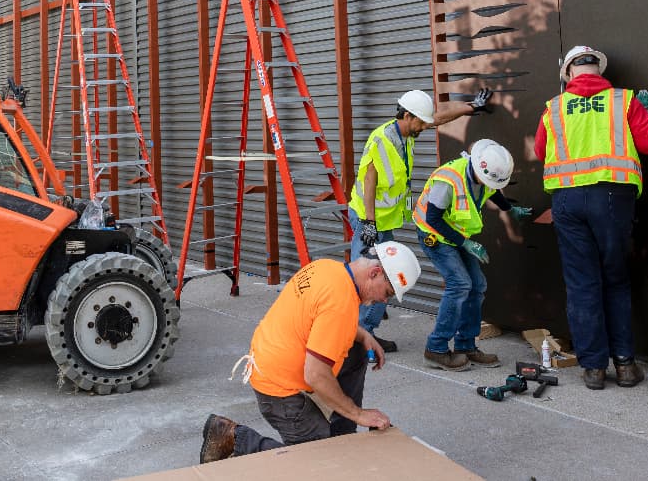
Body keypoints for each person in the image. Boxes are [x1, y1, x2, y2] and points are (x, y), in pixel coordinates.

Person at [198, 242, 422, 463]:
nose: (384, 300)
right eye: (388, 292)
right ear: (374, 273)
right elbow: (315, 374)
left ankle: (341, 435)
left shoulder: (329, 269)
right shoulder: (340, 303)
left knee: (356, 351)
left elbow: (319, 316)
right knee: (319, 463)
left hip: (269, 361)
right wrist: (359, 414)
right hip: (278, 390)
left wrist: (362, 335)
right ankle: (235, 438)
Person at [534, 45, 648, 391]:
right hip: (612, 198)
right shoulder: (624, 100)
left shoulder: (554, 108)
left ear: (569, 75)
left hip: (566, 201)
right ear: (598, 71)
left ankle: (593, 369)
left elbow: (539, 150)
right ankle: (625, 365)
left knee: (582, 284)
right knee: (615, 281)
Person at [347, 87, 491, 351]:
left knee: (381, 276)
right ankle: (358, 339)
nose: (425, 126)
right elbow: (370, 179)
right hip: (369, 219)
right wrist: (368, 222)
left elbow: (438, 118)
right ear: (407, 115)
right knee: (370, 277)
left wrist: (472, 107)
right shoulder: (383, 140)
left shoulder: (406, 133)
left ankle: (363, 334)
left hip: (383, 221)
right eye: (421, 122)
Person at [412, 138, 529, 370]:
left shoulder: (484, 175)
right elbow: (432, 218)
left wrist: (509, 208)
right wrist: (465, 244)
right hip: (434, 234)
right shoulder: (448, 180)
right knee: (460, 284)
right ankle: (435, 349)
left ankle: (466, 345)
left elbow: (491, 190)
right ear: (477, 166)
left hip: (456, 234)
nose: (489, 184)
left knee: (477, 286)